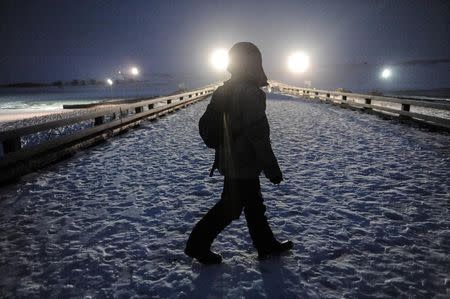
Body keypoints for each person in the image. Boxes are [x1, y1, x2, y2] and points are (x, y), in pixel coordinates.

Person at [184, 42, 293, 264]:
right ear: (253, 63)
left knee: (253, 204)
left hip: (229, 157)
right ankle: (197, 245)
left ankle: (266, 245)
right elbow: (258, 135)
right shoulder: (251, 93)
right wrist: (272, 169)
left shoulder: (225, 89)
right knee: (231, 207)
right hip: (243, 161)